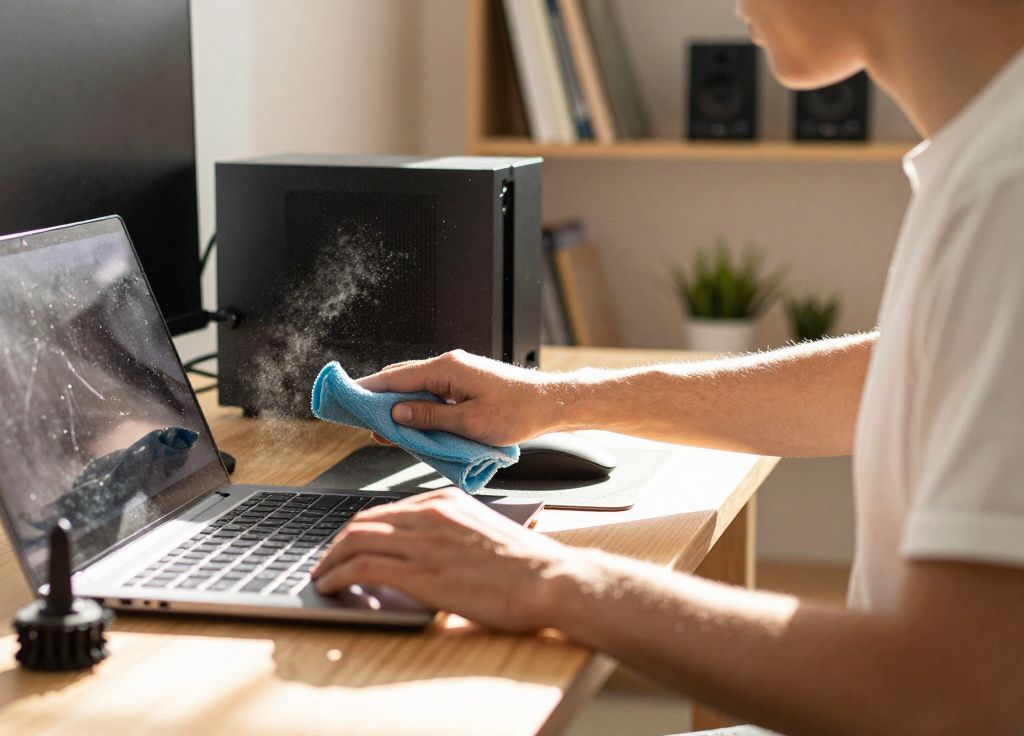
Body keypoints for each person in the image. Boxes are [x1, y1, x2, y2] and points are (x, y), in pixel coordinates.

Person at [310, 1, 1024, 732]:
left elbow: (954, 694)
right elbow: (900, 377)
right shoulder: (989, 155)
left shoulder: (1007, 193)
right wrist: (556, 400)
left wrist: (548, 576)